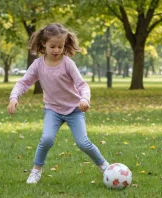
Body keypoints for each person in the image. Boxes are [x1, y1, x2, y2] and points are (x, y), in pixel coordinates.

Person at [7, 23, 109, 184]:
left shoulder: (67, 63)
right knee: (46, 139)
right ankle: (36, 171)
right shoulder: (38, 65)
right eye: (52, 46)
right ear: (43, 44)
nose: (56, 50)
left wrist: (84, 99)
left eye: (60, 46)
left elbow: (82, 84)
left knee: (83, 143)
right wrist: (14, 97)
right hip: (53, 110)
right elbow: (23, 82)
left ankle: (105, 167)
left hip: (74, 109)